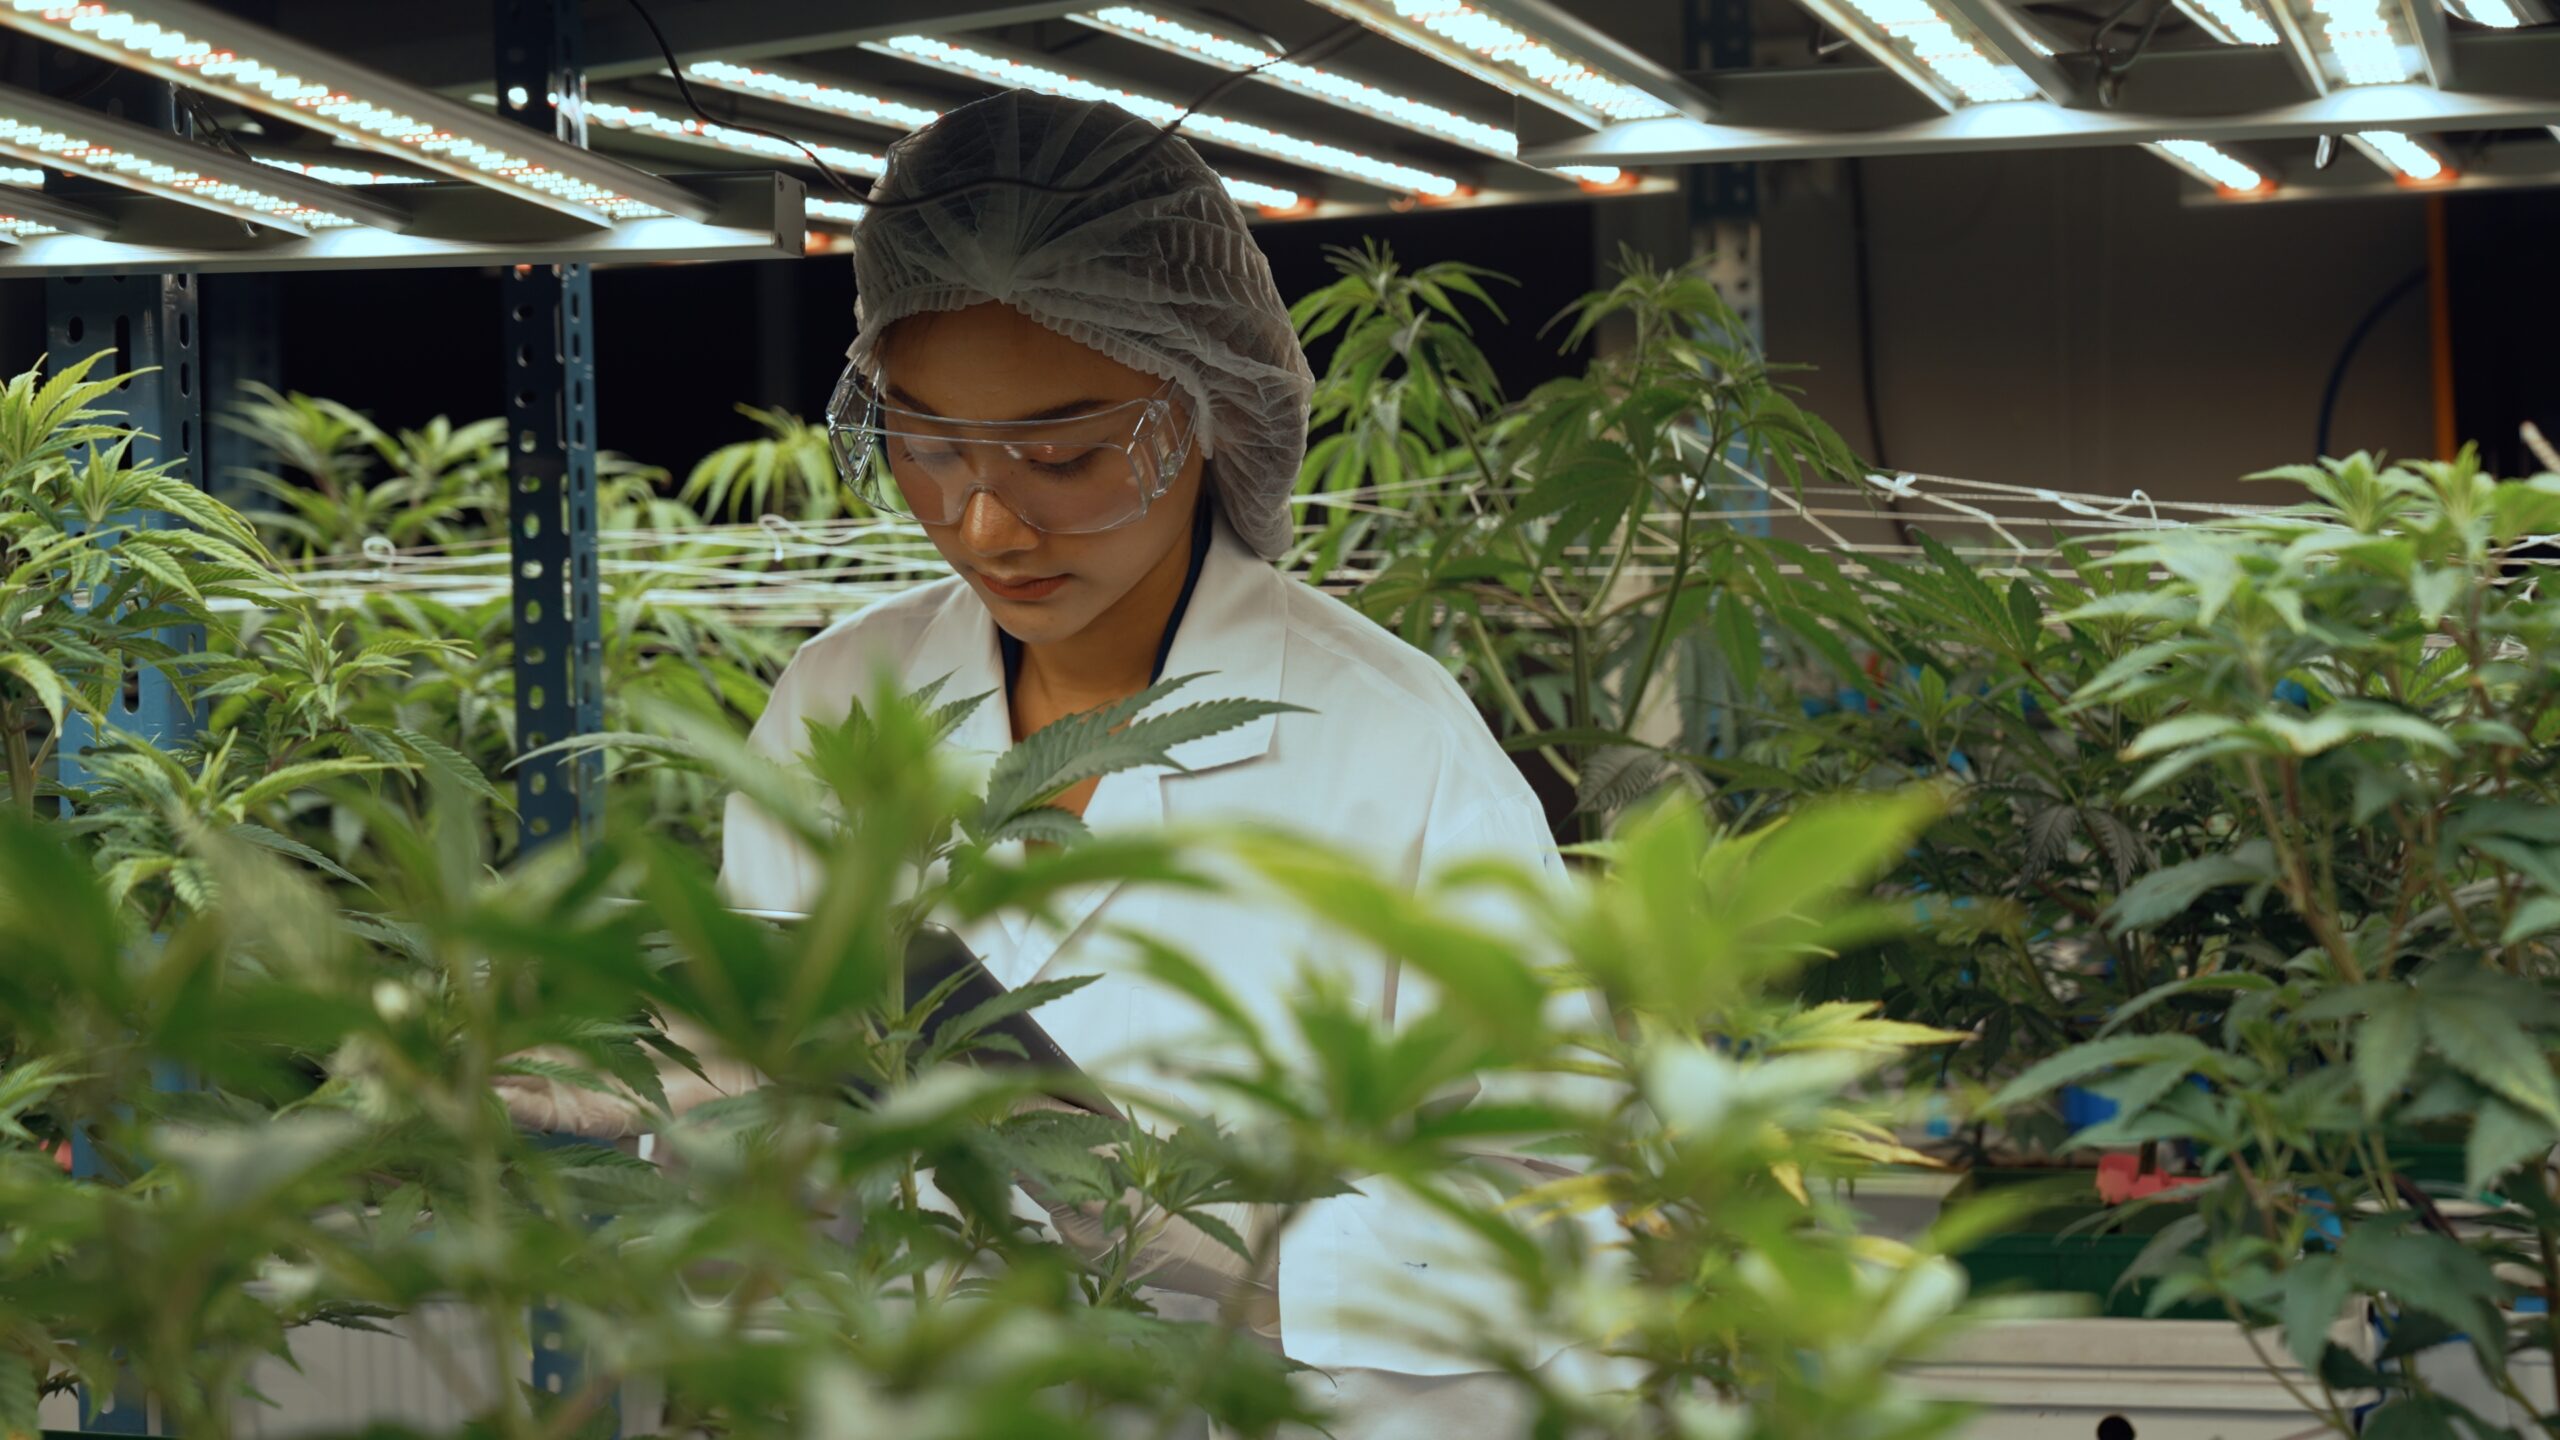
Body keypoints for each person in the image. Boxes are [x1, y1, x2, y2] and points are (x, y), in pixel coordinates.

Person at [511, 90, 1603, 1435]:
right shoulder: (844, 694)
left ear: (1207, 408)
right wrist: (677, 1098)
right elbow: (793, 1138)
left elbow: (1556, 1229)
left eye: (1066, 455)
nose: (983, 521)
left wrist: (1223, 1250)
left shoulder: (1391, 745)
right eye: (928, 446)